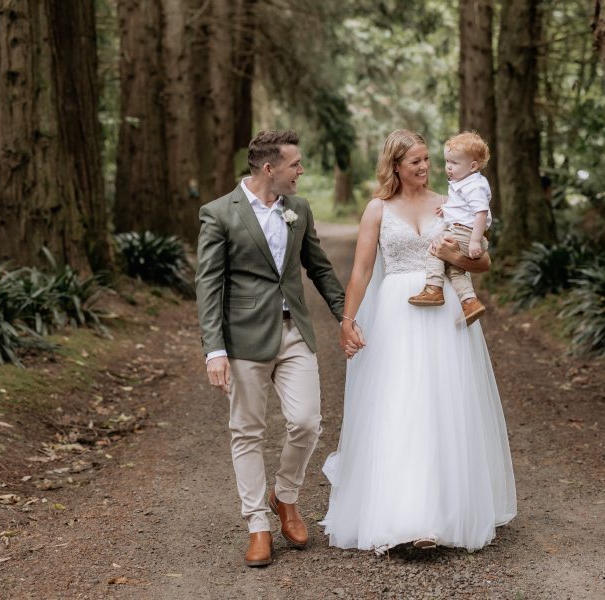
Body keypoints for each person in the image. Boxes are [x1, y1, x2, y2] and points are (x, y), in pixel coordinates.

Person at [321, 129, 517, 553]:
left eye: (428, 160)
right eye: (416, 162)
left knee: (442, 405)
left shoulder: (451, 203)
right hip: (396, 313)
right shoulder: (377, 209)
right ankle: (403, 516)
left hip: (443, 311)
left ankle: (442, 515)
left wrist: (452, 255)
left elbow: (482, 259)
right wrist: (348, 320)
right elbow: (360, 272)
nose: (426, 168)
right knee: (399, 405)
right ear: (395, 166)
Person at [195, 130, 347, 567]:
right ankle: (257, 524)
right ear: (269, 169)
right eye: (295, 164)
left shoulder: (297, 209)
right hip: (243, 337)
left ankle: (286, 496)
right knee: (247, 430)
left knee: (306, 421)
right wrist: (214, 349)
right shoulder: (220, 213)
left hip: (294, 330)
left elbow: (318, 268)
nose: (301, 171)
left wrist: (345, 318)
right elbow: (208, 284)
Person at [408, 131, 492, 327]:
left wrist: (473, 241)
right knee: (456, 272)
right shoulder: (465, 182)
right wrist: (446, 209)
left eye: (454, 163)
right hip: (465, 231)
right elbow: (464, 208)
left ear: (472, 166)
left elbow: (480, 213)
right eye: (447, 162)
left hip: (465, 233)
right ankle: (470, 302)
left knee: (435, 249)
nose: (448, 167)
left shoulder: (474, 186)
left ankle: (433, 289)